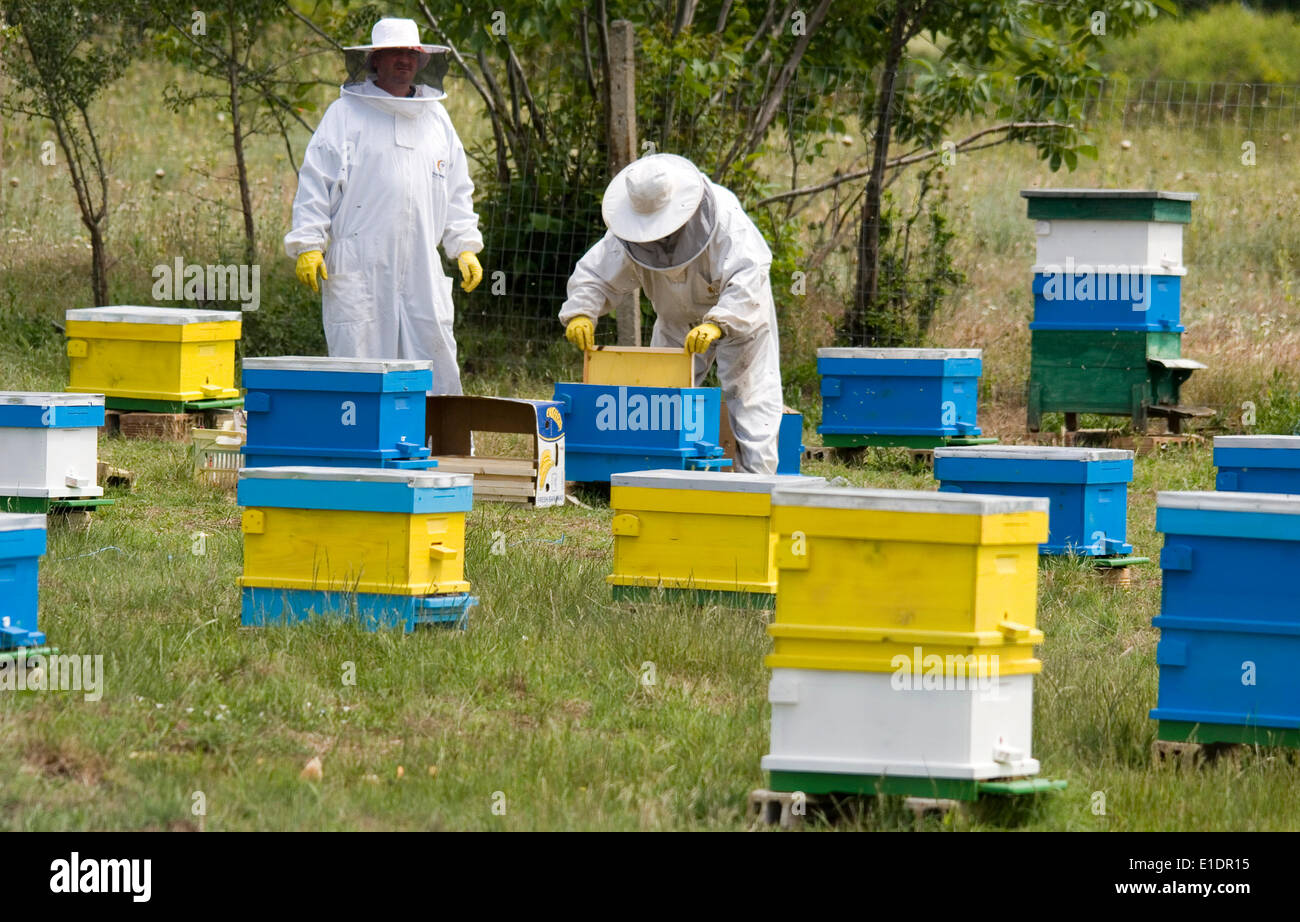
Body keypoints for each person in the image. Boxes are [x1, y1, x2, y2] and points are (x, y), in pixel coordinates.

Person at [285, 17, 483, 395]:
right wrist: (309, 244)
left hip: (422, 268)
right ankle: (358, 449)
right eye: (394, 53)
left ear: (422, 60)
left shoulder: (437, 119)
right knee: (360, 364)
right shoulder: (344, 116)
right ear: (375, 60)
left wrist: (465, 246)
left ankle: (439, 445)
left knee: (433, 359)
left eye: (410, 53)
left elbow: (458, 189)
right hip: (360, 265)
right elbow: (316, 182)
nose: (403, 60)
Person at [559, 154, 783, 474]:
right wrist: (582, 311)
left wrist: (720, 321)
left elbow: (749, 272)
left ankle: (757, 484)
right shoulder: (629, 230)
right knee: (658, 401)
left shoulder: (725, 217)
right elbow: (597, 273)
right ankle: (655, 476)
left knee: (750, 398)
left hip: (741, 317)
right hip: (677, 321)